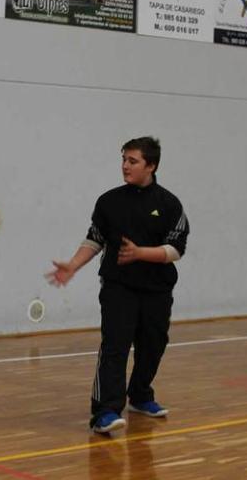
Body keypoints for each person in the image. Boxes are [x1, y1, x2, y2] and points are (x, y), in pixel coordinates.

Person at [46, 136, 189, 434]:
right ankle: (105, 411)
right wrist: (73, 264)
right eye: (123, 159)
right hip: (118, 287)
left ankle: (139, 395)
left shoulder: (170, 204)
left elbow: (176, 250)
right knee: (115, 346)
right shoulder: (109, 201)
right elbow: (95, 238)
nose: (125, 166)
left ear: (151, 166)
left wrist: (140, 254)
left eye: (132, 161)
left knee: (154, 344)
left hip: (157, 290)